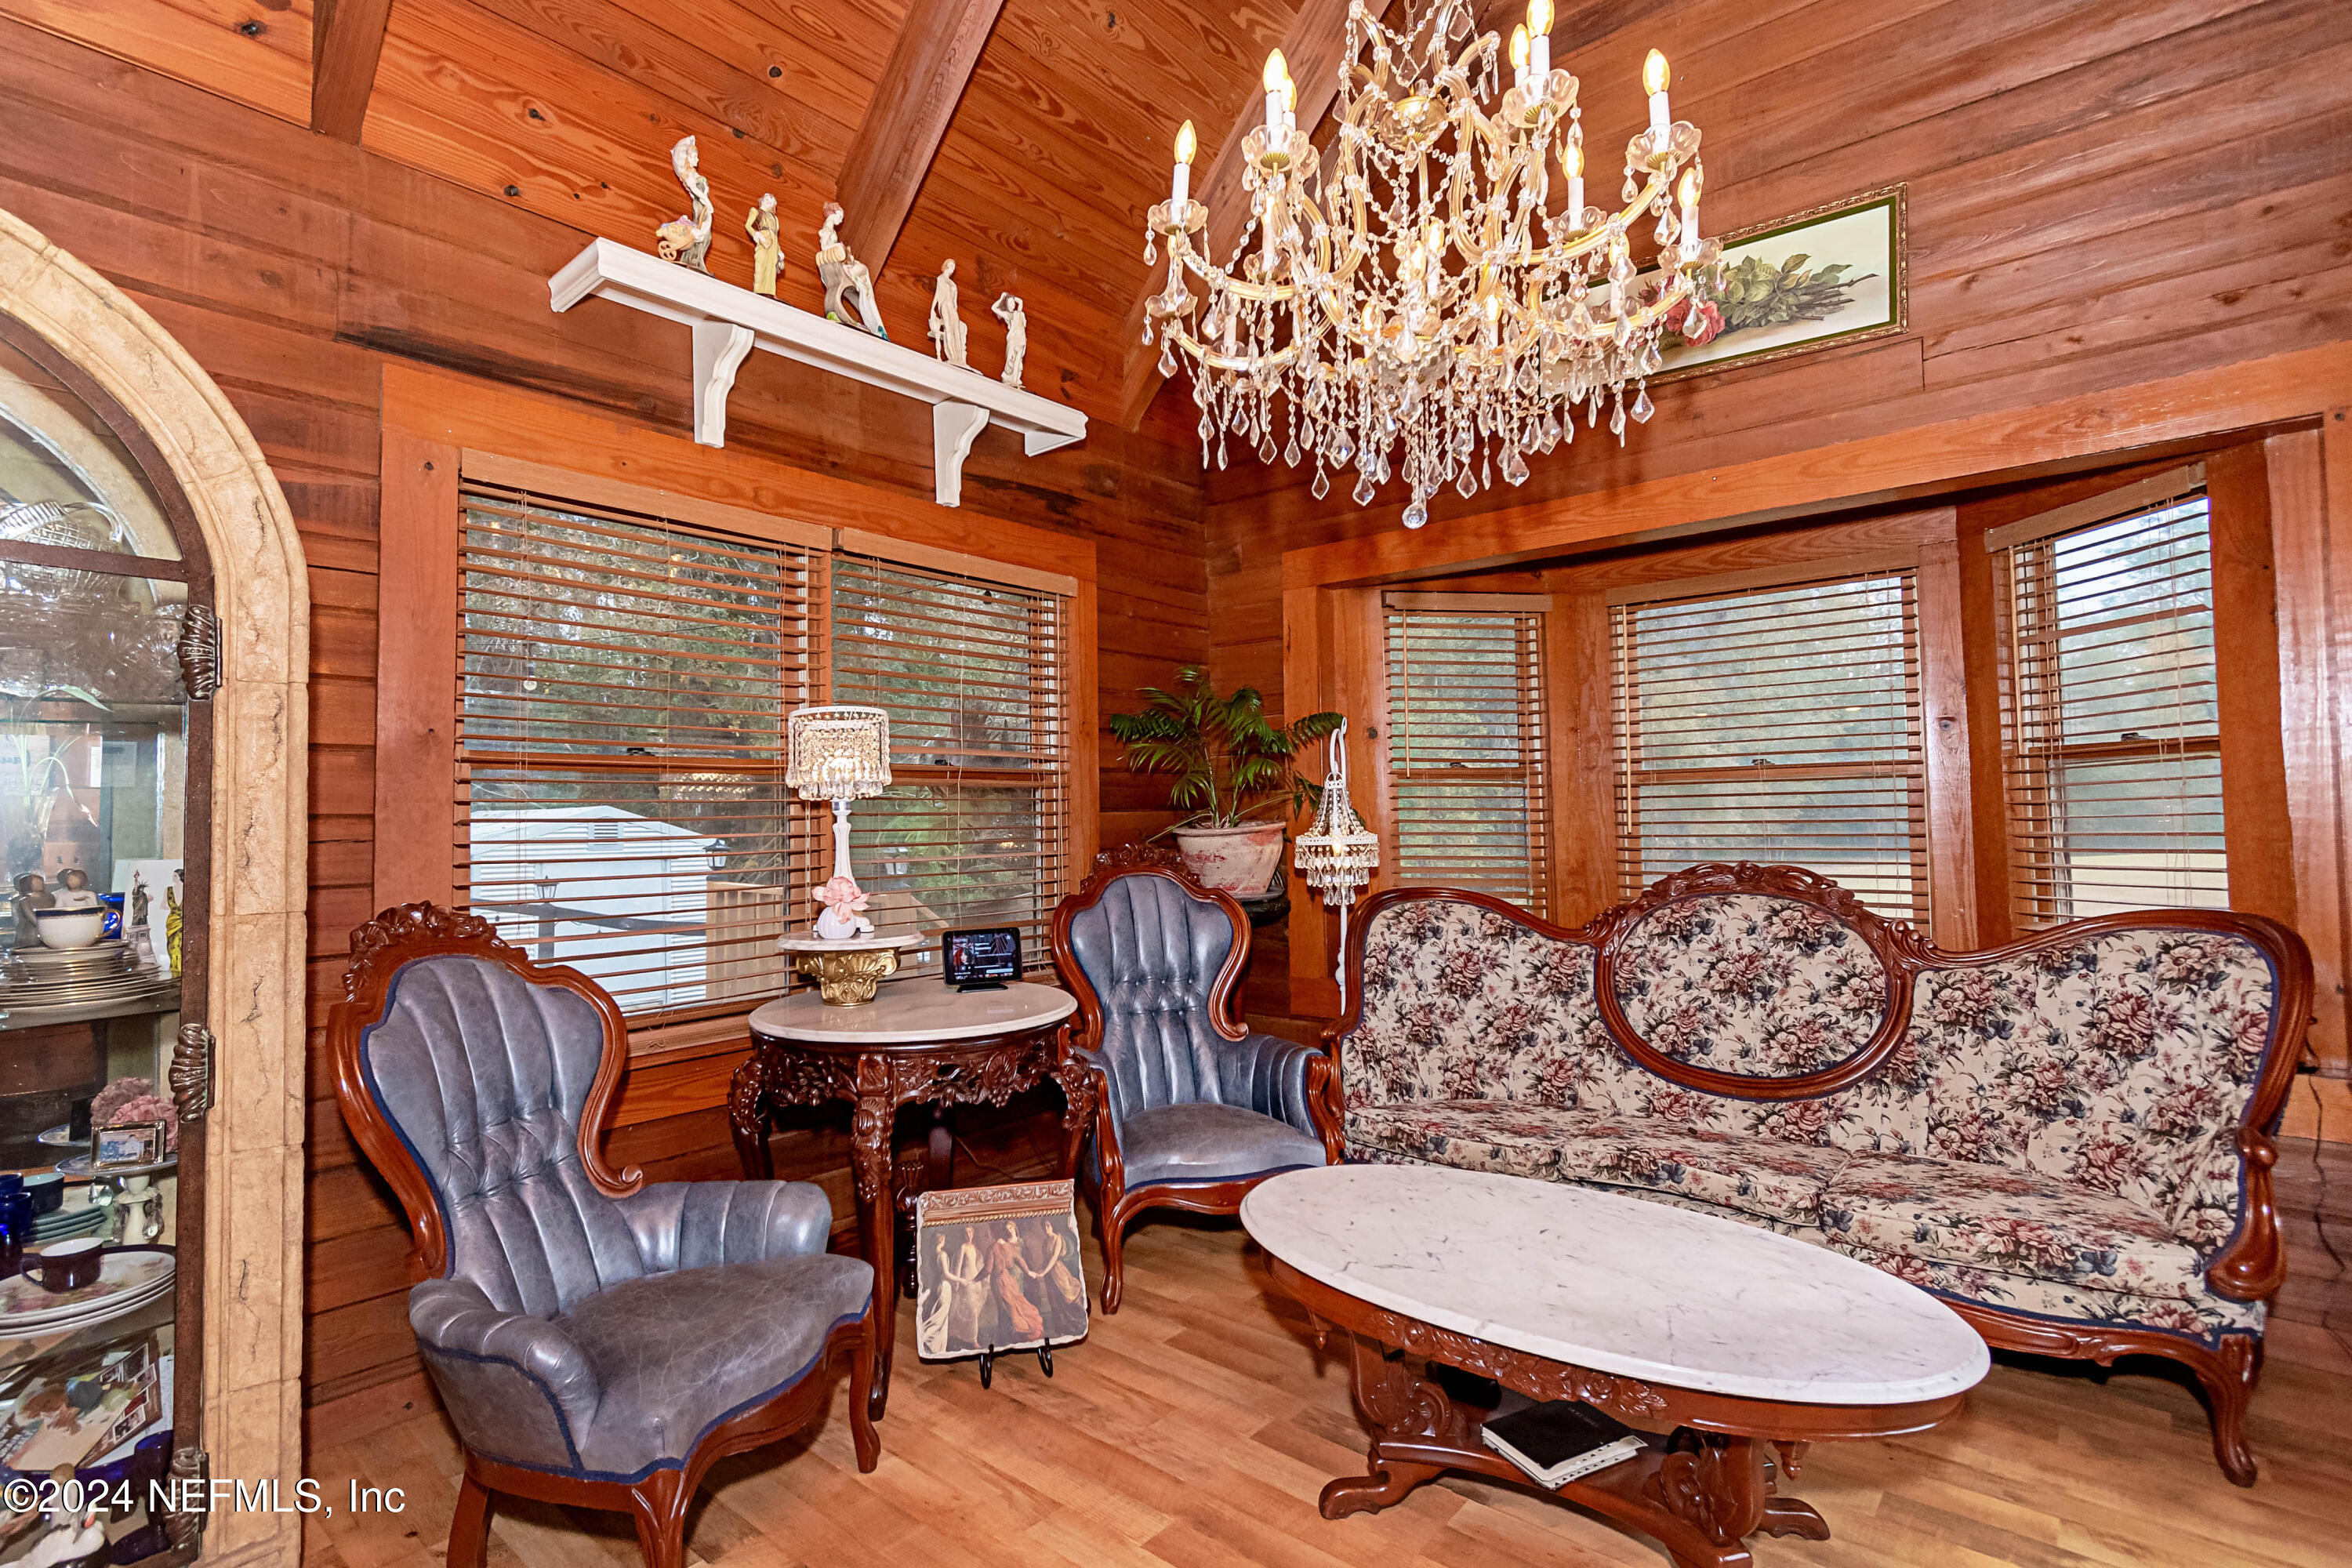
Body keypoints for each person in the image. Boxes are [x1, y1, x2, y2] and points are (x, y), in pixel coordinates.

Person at [985, 1221, 1044, 1344]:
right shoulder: (1006, 1244)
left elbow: (988, 1269)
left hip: (1003, 1280)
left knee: (1010, 1307)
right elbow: (1018, 1259)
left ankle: (1012, 1336)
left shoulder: (994, 1248)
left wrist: (973, 1280)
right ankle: (1012, 1335)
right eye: (1008, 1228)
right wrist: (1028, 1272)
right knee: (1012, 1305)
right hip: (1008, 1277)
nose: (1009, 1230)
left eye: (1011, 1227)